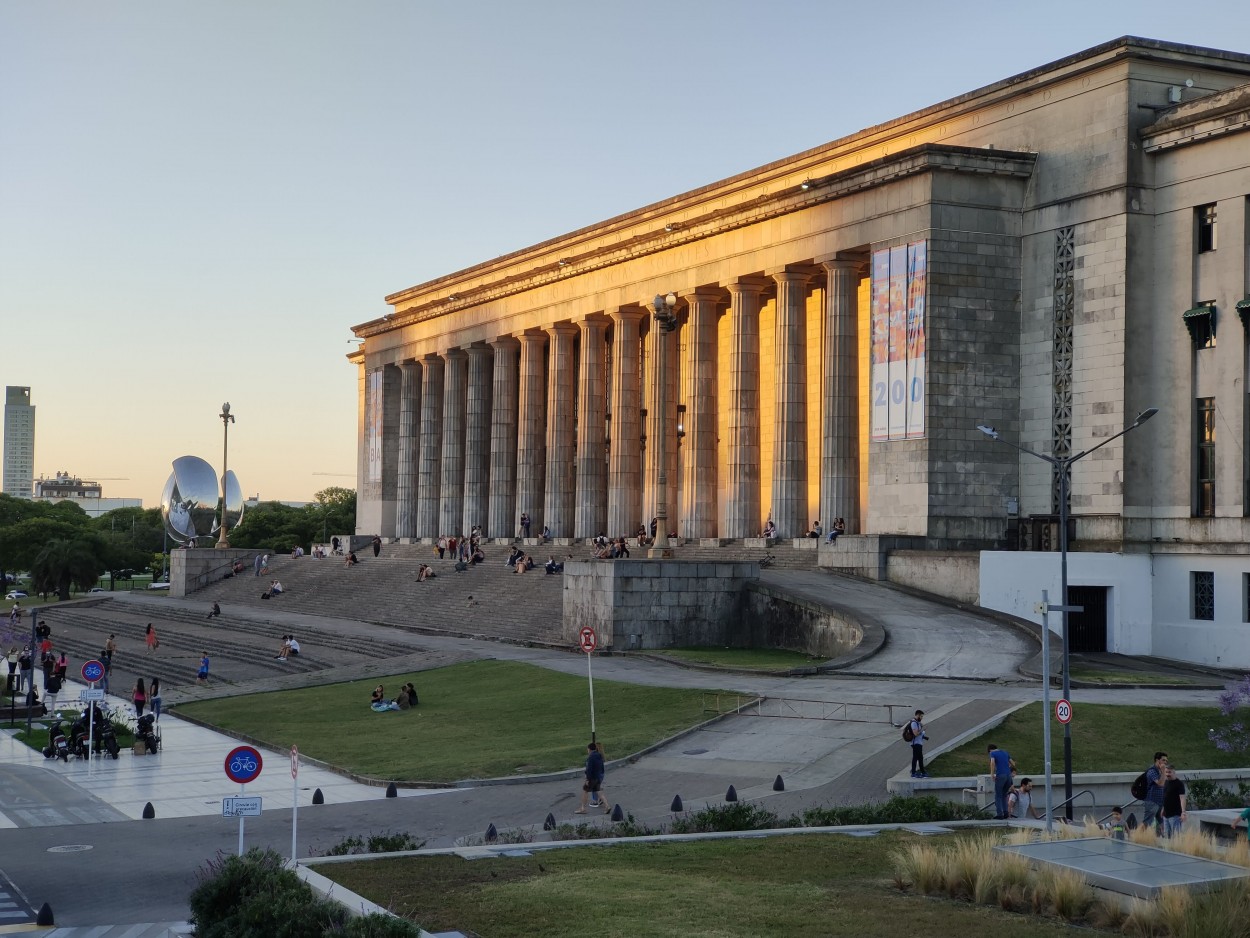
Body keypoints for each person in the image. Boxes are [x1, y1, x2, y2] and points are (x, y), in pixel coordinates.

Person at [575, 741, 608, 814]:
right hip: (598, 776)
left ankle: (583, 808)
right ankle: (607, 806)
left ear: (589, 749)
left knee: (585, 791)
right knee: (599, 791)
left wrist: (587, 779)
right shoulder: (599, 755)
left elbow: (589, 769)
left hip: (592, 778)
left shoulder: (590, 757)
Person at [1142, 751, 1168, 834]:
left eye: (1166, 761)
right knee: (1147, 822)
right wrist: (1164, 771)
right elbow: (1160, 784)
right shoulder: (1152, 771)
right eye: (1163, 760)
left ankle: (1162, 838)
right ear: (1157, 760)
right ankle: (1141, 837)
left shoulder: (1161, 771)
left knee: (1162, 822)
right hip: (1152, 801)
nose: (1165, 762)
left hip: (1160, 802)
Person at [988, 744, 1016, 820]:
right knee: (1004, 794)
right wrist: (1007, 768)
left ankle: (1000, 814)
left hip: (1000, 776)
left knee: (998, 795)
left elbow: (992, 763)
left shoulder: (992, 753)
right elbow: (1013, 763)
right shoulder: (1005, 752)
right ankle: (1006, 813)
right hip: (1008, 777)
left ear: (990, 750)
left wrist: (992, 774)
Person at [1162, 765, 1187, 838]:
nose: (1167, 774)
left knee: (1176, 836)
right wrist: (1163, 808)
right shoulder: (1166, 782)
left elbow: (1182, 798)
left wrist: (1183, 812)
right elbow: (1166, 797)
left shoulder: (1179, 784)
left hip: (1175, 815)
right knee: (1167, 836)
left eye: (1169, 772)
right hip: (1166, 815)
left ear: (1174, 772)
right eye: (1166, 772)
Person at [907, 709, 929, 778]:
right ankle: (914, 773)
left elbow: (918, 733)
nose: (922, 718)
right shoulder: (914, 723)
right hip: (915, 743)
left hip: (918, 743)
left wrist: (923, 734)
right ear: (918, 715)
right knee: (916, 758)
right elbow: (916, 734)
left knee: (919, 758)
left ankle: (922, 772)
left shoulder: (917, 723)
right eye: (921, 716)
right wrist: (922, 730)